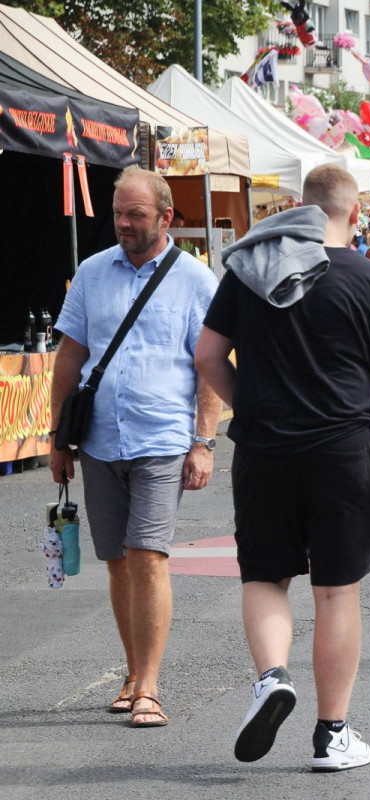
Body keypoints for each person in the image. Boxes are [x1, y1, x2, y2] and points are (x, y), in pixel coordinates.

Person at [195, 163, 370, 772]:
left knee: (266, 576)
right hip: (342, 450)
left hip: (264, 448)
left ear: (303, 207)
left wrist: (253, 404)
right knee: (336, 591)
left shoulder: (249, 268)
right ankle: (332, 735)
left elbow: (207, 355)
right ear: (355, 214)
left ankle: (272, 677)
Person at [49, 166, 220, 728]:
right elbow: (70, 358)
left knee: (148, 557)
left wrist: (203, 442)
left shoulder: (196, 280)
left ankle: (149, 687)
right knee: (118, 564)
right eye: (118, 212)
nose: (122, 222)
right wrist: (58, 438)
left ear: (165, 217)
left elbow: (209, 368)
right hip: (99, 439)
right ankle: (132, 672)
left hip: (162, 437)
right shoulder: (92, 273)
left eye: (135, 214)